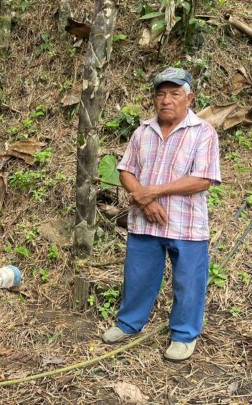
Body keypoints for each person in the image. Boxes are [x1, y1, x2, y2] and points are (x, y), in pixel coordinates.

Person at [102, 67, 221, 362]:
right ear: (154, 99)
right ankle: (129, 324)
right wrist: (144, 201)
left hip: (186, 224)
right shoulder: (143, 131)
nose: (166, 100)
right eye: (161, 93)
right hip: (145, 221)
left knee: (188, 281)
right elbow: (126, 170)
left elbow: (202, 179)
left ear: (189, 98)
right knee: (138, 276)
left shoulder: (203, 132)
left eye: (174, 93)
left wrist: (151, 192)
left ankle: (183, 335)